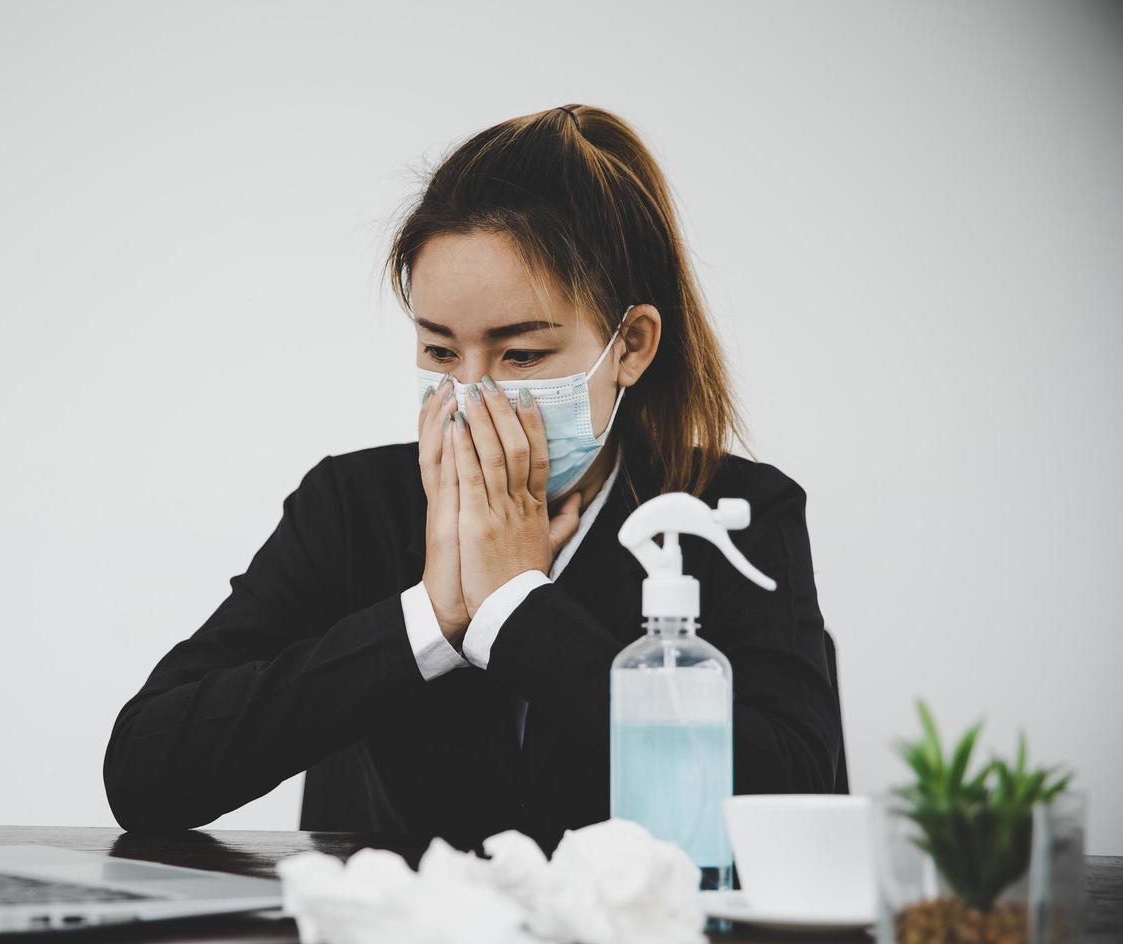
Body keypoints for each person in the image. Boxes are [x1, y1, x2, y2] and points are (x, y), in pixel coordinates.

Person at [103, 104, 842, 855]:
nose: (476, 393)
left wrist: (517, 613)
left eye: (520, 355)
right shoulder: (353, 508)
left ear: (632, 346)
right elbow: (143, 772)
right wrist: (433, 617)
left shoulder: (731, 513)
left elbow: (800, 801)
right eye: (441, 353)